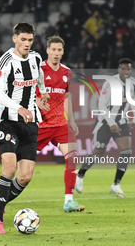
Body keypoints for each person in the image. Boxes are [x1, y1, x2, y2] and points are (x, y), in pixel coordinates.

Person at [0, 22, 49, 234]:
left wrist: (42, 95)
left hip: (30, 124)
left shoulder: (36, 58)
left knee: (25, 177)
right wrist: (20, 108)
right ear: (14, 39)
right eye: (23, 39)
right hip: (8, 122)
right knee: (9, 168)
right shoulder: (4, 62)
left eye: (30, 40)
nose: (26, 44)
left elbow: (39, 78)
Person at [75, 58, 135, 197]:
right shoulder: (110, 84)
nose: (126, 71)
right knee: (98, 154)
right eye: (123, 68)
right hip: (105, 121)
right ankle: (80, 175)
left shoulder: (133, 83)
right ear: (119, 69)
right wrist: (111, 123)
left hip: (122, 120)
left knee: (126, 151)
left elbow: (133, 100)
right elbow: (101, 105)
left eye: (129, 69)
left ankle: (116, 185)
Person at [36, 36, 85, 212]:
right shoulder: (37, 69)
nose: (56, 53)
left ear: (63, 52)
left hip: (59, 124)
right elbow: (25, 93)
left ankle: (68, 201)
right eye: (53, 50)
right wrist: (36, 102)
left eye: (60, 50)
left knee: (72, 157)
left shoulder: (66, 72)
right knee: (20, 167)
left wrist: (71, 121)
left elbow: (65, 97)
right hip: (39, 124)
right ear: (47, 50)